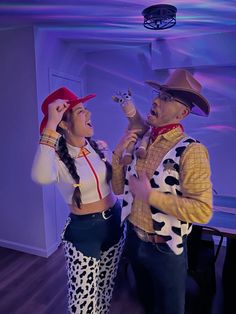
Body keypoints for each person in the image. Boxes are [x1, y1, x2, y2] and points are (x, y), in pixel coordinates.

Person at [111, 69, 213, 314]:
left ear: (183, 113)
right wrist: (117, 156)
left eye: (166, 98)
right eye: (159, 94)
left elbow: (203, 211)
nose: (155, 100)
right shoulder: (141, 139)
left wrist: (151, 196)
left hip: (165, 250)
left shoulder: (192, 150)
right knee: (146, 304)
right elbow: (117, 188)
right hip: (133, 240)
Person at [31, 87, 125, 314]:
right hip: (84, 232)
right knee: (82, 301)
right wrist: (51, 124)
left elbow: (114, 184)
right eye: (81, 111)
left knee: (104, 289)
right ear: (64, 123)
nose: (89, 115)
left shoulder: (97, 147)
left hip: (114, 223)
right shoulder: (55, 157)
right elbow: (41, 176)